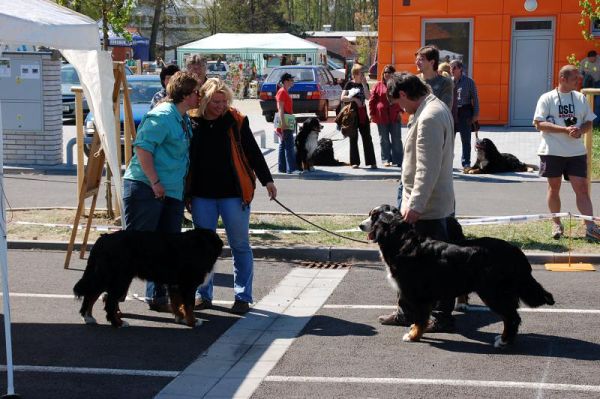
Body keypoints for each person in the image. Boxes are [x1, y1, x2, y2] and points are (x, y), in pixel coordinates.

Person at [188, 78, 277, 314]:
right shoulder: (192, 121)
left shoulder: (235, 120)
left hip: (234, 194)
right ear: (205, 101)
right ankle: (203, 294)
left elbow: (252, 151)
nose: (220, 106)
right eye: (215, 101)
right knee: (202, 247)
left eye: (224, 101)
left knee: (239, 245)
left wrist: (267, 179)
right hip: (201, 195)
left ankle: (242, 296)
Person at [379, 72, 456, 332]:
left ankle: (442, 316)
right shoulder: (433, 108)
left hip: (428, 208)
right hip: (428, 203)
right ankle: (408, 311)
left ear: (403, 94)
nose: (400, 110)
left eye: (399, 104)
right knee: (417, 265)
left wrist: (416, 205)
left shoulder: (429, 116)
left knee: (435, 267)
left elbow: (427, 168)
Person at [122, 71, 200, 312]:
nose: (200, 96)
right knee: (135, 248)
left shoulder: (182, 117)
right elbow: (143, 150)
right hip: (146, 189)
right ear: (186, 95)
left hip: (171, 192)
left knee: (165, 249)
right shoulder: (162, 115)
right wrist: (155, 182)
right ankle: (112, 292)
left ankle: (158, 298)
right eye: (197, 92)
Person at [533, 64, 600, 241]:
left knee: (582, 189)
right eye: (574, 79)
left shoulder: (580, 98)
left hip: (576, 152)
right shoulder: (546, 98)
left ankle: (591, 227)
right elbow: (539, 123)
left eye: (578, 79)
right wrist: (564, 130)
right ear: (562, 79)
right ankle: (556, 223)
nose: (578, 81)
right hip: (552, 151)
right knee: (554, 188)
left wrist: (580, 130)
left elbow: (588, 122)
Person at [340, 63, 377, 169]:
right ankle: (355, 162)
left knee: (367, 137)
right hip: (352, 112)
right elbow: (343, 98)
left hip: (362, 112)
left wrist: (365, 85)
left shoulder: (364, 84)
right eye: (361, 73)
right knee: (353, 137)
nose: (363, 75)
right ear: (355, 74)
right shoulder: (349, 84)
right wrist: (354, 99)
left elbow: (368, 97)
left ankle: (371, 161)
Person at [368, 64, 403, 167]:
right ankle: (386, 159)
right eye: (385, 72)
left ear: (393, 74)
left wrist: (400, 111)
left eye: (389, 72)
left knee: (396, 138)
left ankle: (398, 159)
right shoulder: (378, 85)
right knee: (384, 139)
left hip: (395, 115)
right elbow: (372, 100)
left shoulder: (398, 85)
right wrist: (372, 113)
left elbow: (402, 99)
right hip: (381, 115)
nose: (387, 74)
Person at [450, 59, 480, 171]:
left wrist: (476, 114)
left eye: (454, 68)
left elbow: (475, 99)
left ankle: (466, 163)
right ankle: (448, 163)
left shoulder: (469, 82)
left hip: (465, 112)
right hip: (452, 112)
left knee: (465, 139)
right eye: (450, 67)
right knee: (449, 139)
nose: (451, 70)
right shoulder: (449, 82)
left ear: (460, 69)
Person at [275, 72, 299, 174]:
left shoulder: (285, 91)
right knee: (289, 145)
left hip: (286, 118)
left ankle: (282, 168)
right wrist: (283, 123)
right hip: (284, 118)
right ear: (285, 81)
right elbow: (280, 108)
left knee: (284, 144)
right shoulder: (282, 92)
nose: (292, 82)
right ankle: (292, 169)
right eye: (291, 80)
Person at [415, 45, 453, 109]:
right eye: (417, 59)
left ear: (432, 62)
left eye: (421, 59)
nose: (417, 63)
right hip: (416, 119)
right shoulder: (414, 81)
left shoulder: (445, 82)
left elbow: (445, 109)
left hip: (436, 118)